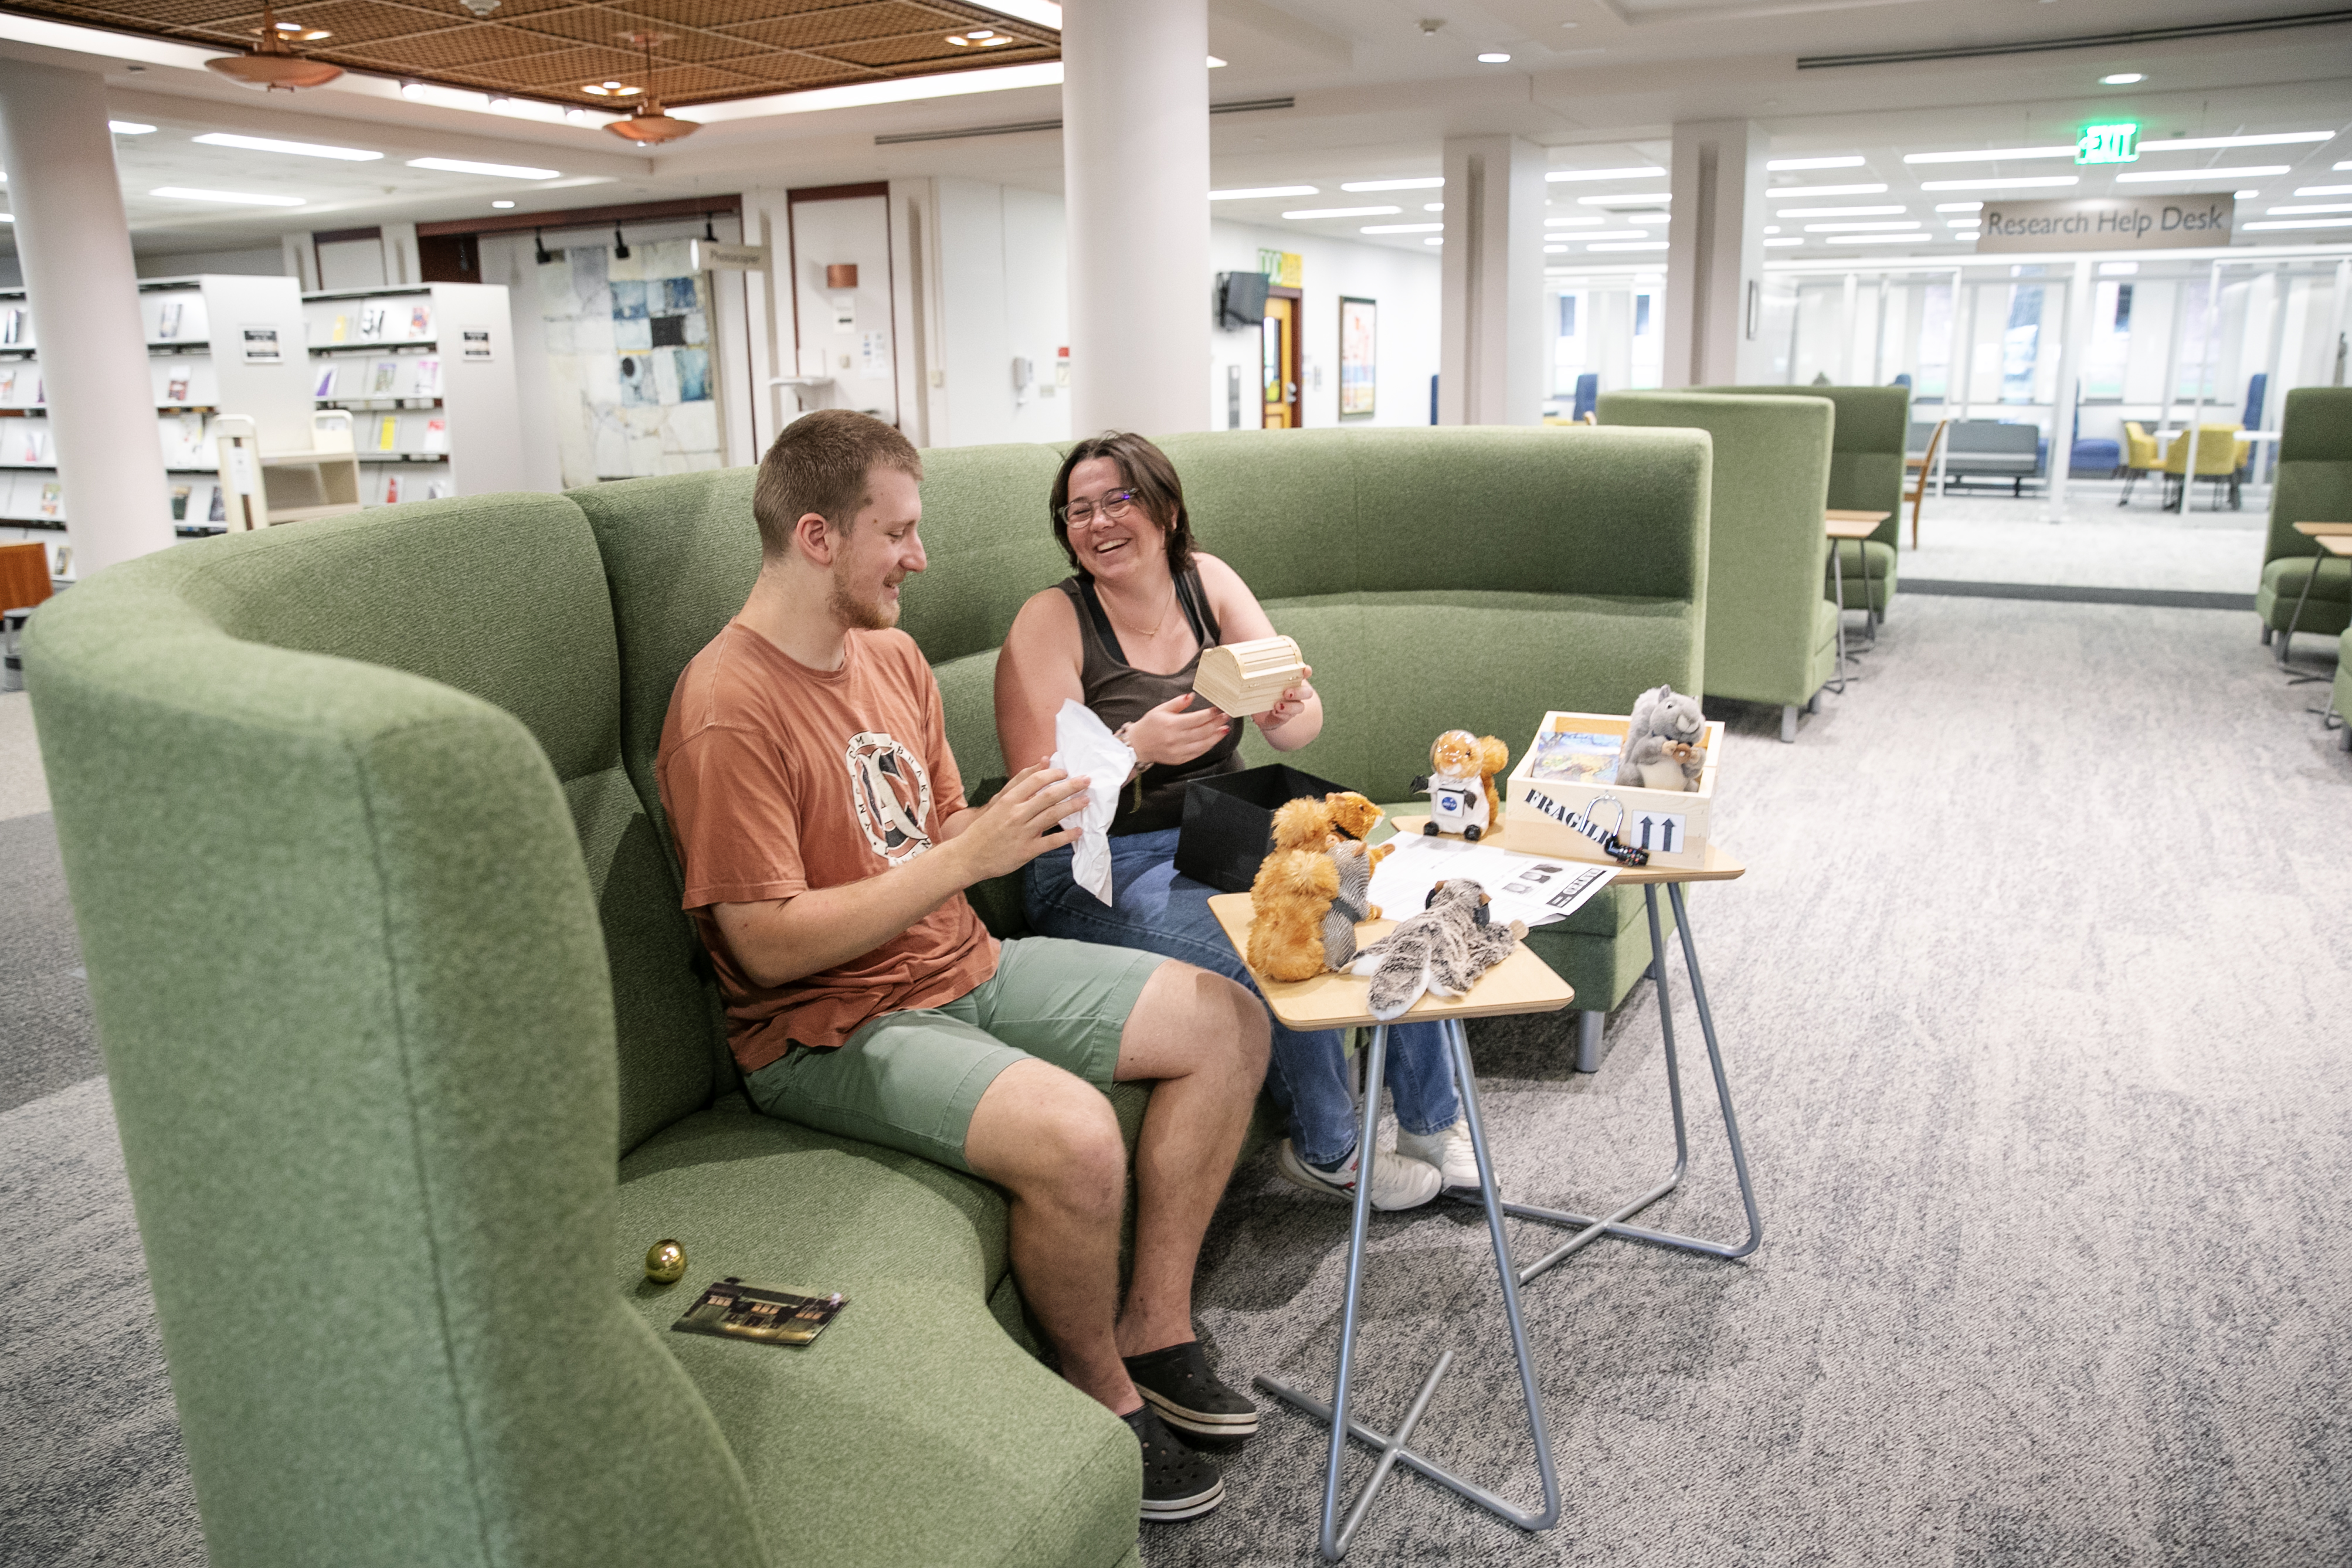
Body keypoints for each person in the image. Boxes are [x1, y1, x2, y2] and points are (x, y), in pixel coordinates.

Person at [656, 410, 1269, 1523]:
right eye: (897, 533)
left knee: (1228, 1018)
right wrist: (966, 857)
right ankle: (1098, 1386)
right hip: (830, 1026)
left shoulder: (890, 658)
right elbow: (762, 942)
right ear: (817, 536)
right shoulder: (723, 706)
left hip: (965, 964)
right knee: (1080, 1135)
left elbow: (942, 827)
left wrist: (1045, 806)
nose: (921, 557)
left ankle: (1157, 1322)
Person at [994, 432, 1479, 1214]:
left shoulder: (1206, 581)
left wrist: (1288, 700)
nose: (1096, 522)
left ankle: (1431, 1123)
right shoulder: (1051, 618)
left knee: (1383, 900)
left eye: (1117, 500)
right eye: (1077, 509)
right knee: (1282, 936)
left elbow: (1296, 727)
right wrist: (1134, 749)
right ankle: (1330, 1151)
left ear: (1166, 507)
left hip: (1222, 831)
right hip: (1097, 864)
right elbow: (1040, 795)